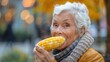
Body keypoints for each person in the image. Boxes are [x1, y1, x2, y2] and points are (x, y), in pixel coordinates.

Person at [33, 2, 104, 62]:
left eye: (66, 25)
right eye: (55, 25)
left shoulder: (94, 58)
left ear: (81, 31)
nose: (58, 31)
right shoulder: (48, 55)